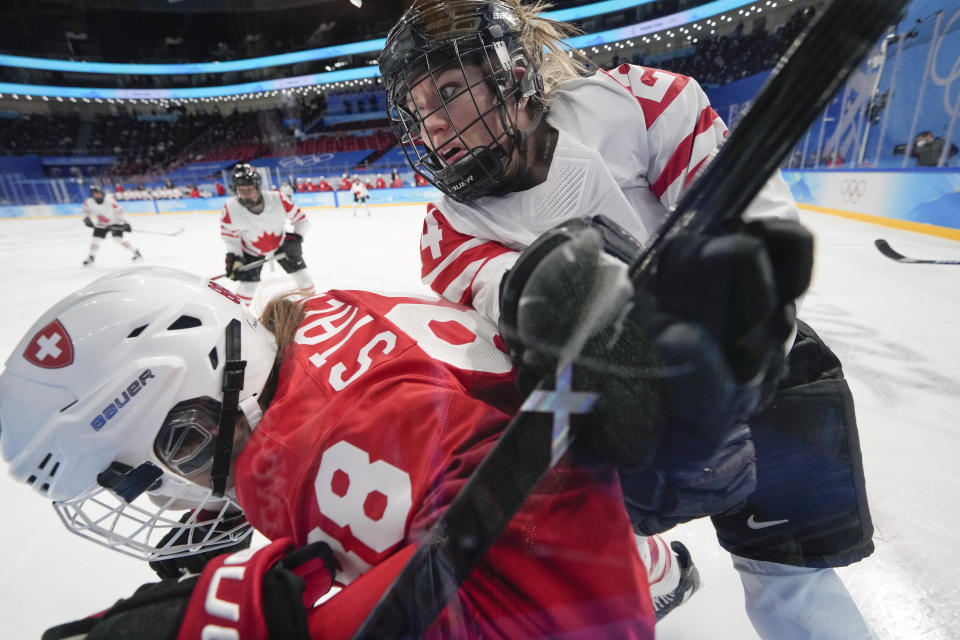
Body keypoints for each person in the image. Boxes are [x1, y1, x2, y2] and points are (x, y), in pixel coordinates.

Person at [378, 0, 875, 637]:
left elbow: (758, 238)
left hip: (750, 369)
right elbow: (533, 321)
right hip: (612, 411)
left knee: (792, 587)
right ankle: (650, 567)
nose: (433, 124)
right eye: (418, 107)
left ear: (512, 72)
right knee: (572, 600)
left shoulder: (641, 104)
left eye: (448, 90)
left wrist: (725, 344)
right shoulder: (448, 230)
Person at [0, 257, 786, 639]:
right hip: (597, 472)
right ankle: (655, 562)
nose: (167, 499)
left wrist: (279, 624)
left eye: (151, 471)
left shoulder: (314, 461)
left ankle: (651, 566)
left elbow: (577, 621)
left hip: (606, 512)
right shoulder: (317, 314)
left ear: (194, 413)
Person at [221, 163, 315, 307]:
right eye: (241, 189)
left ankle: (312, 307)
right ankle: (237, 317)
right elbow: (230, 236)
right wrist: (235, 256)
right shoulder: (230, 208)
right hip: (251, 250)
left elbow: (301, 220)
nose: (246, 193)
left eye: (249, 188)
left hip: (281, 244)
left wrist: (296, 239)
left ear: (257, 186)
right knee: (247, 288)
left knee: (305, 280)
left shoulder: (278, 199)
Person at [80, 184, 143, 266]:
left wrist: (126, 222)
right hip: (101, 224)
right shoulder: (88, 202)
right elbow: (86, 211)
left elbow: (120, 211)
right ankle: (91, 257)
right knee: (96, 239)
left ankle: (135, 252)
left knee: (117, 239)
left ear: (101, 193)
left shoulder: (110, 201)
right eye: (94, 193)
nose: (96, 195)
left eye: (97, 193)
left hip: (115, 222)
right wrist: (87, 218)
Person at [893, 130, 958, 167]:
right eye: (917, 141)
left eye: (919, 139)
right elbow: (898, 149)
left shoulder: (938, 143)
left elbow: (954, 150)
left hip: (938, 172)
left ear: (928, 137)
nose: (918, 142)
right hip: (922, 173)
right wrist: (913, 144)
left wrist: (943, 156)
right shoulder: (917, 148)